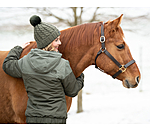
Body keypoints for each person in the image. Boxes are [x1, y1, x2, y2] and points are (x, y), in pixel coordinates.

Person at [2, 15, 84, 124]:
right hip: (56, 120)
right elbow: (72, 91)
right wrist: (80, 75)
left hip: (33, 119)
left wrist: (17, 49)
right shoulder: (62, 65)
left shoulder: (26, 62)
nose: (59, 43)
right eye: (56, 40)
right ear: (47, 43)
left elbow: (7, 65)